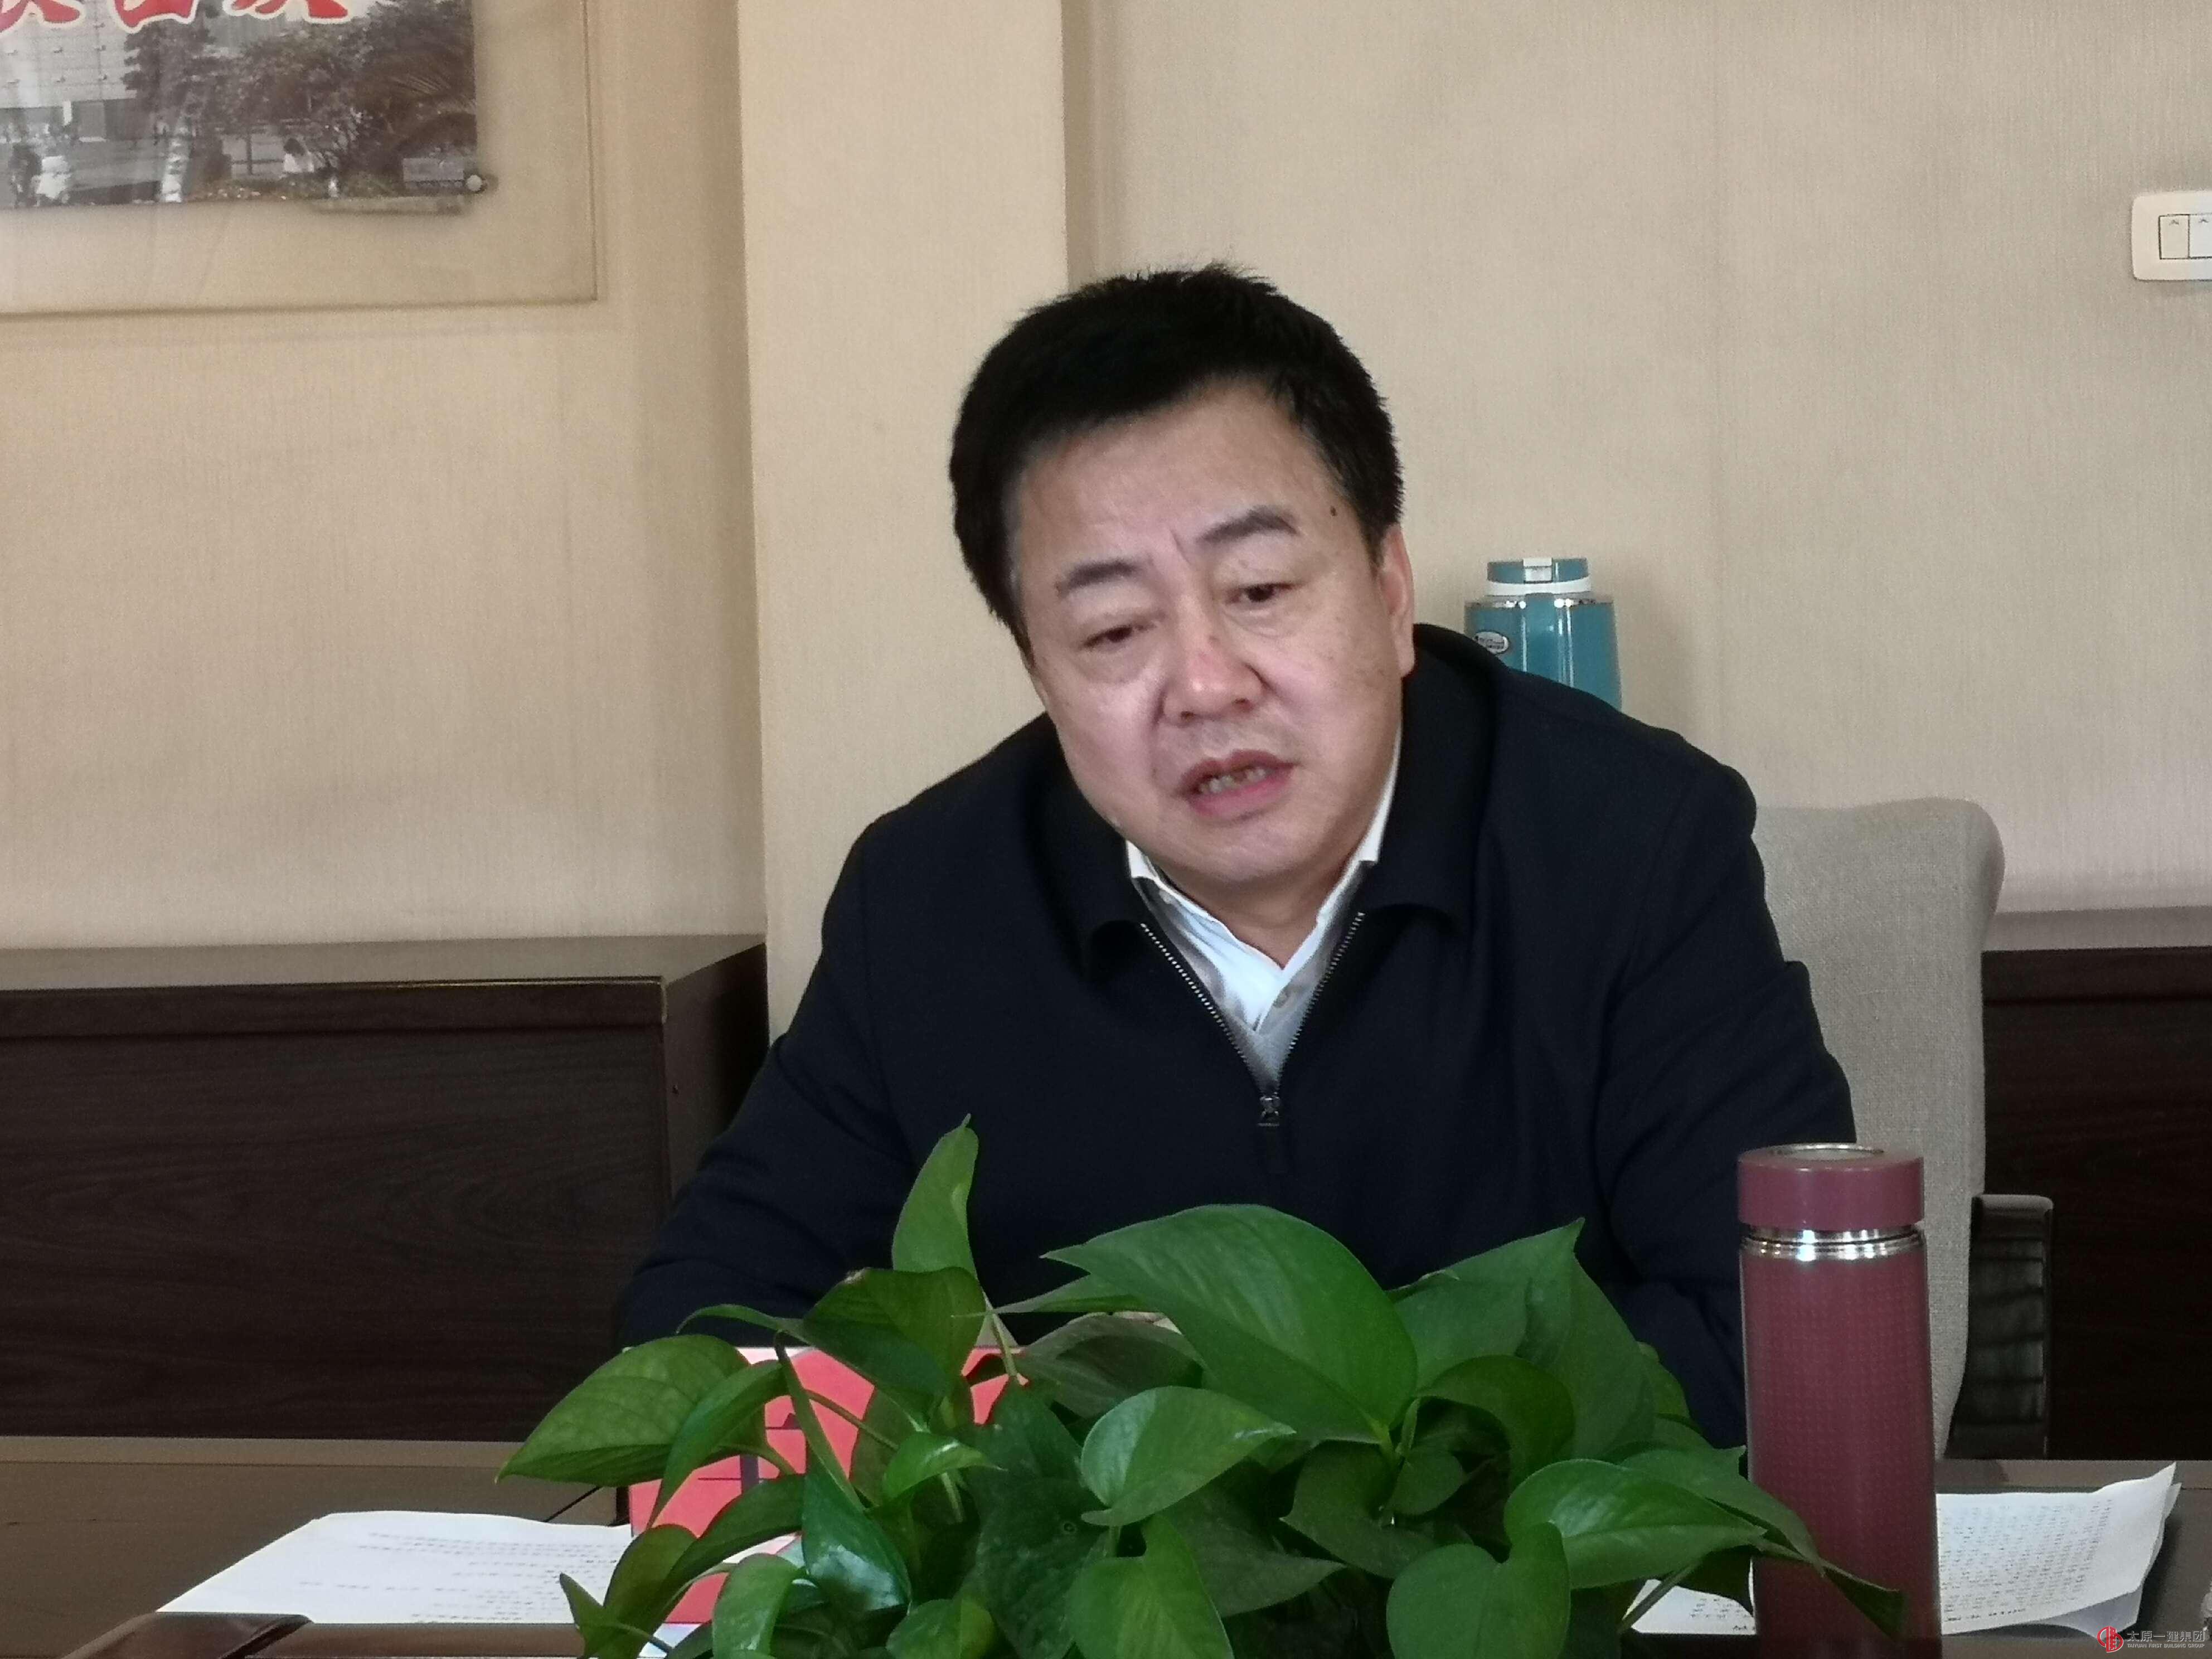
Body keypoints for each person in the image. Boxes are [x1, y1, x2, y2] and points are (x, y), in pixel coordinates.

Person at [622, 266, 1851, 1442]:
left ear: (1388, 588)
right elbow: (697, 1335)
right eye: (1113, 629)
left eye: (1259, 589)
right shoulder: (928, 903)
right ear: (1038, 669)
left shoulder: (1632, 845)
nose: (1206, 684)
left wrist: (1259, 1450)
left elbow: (1780, 1336)